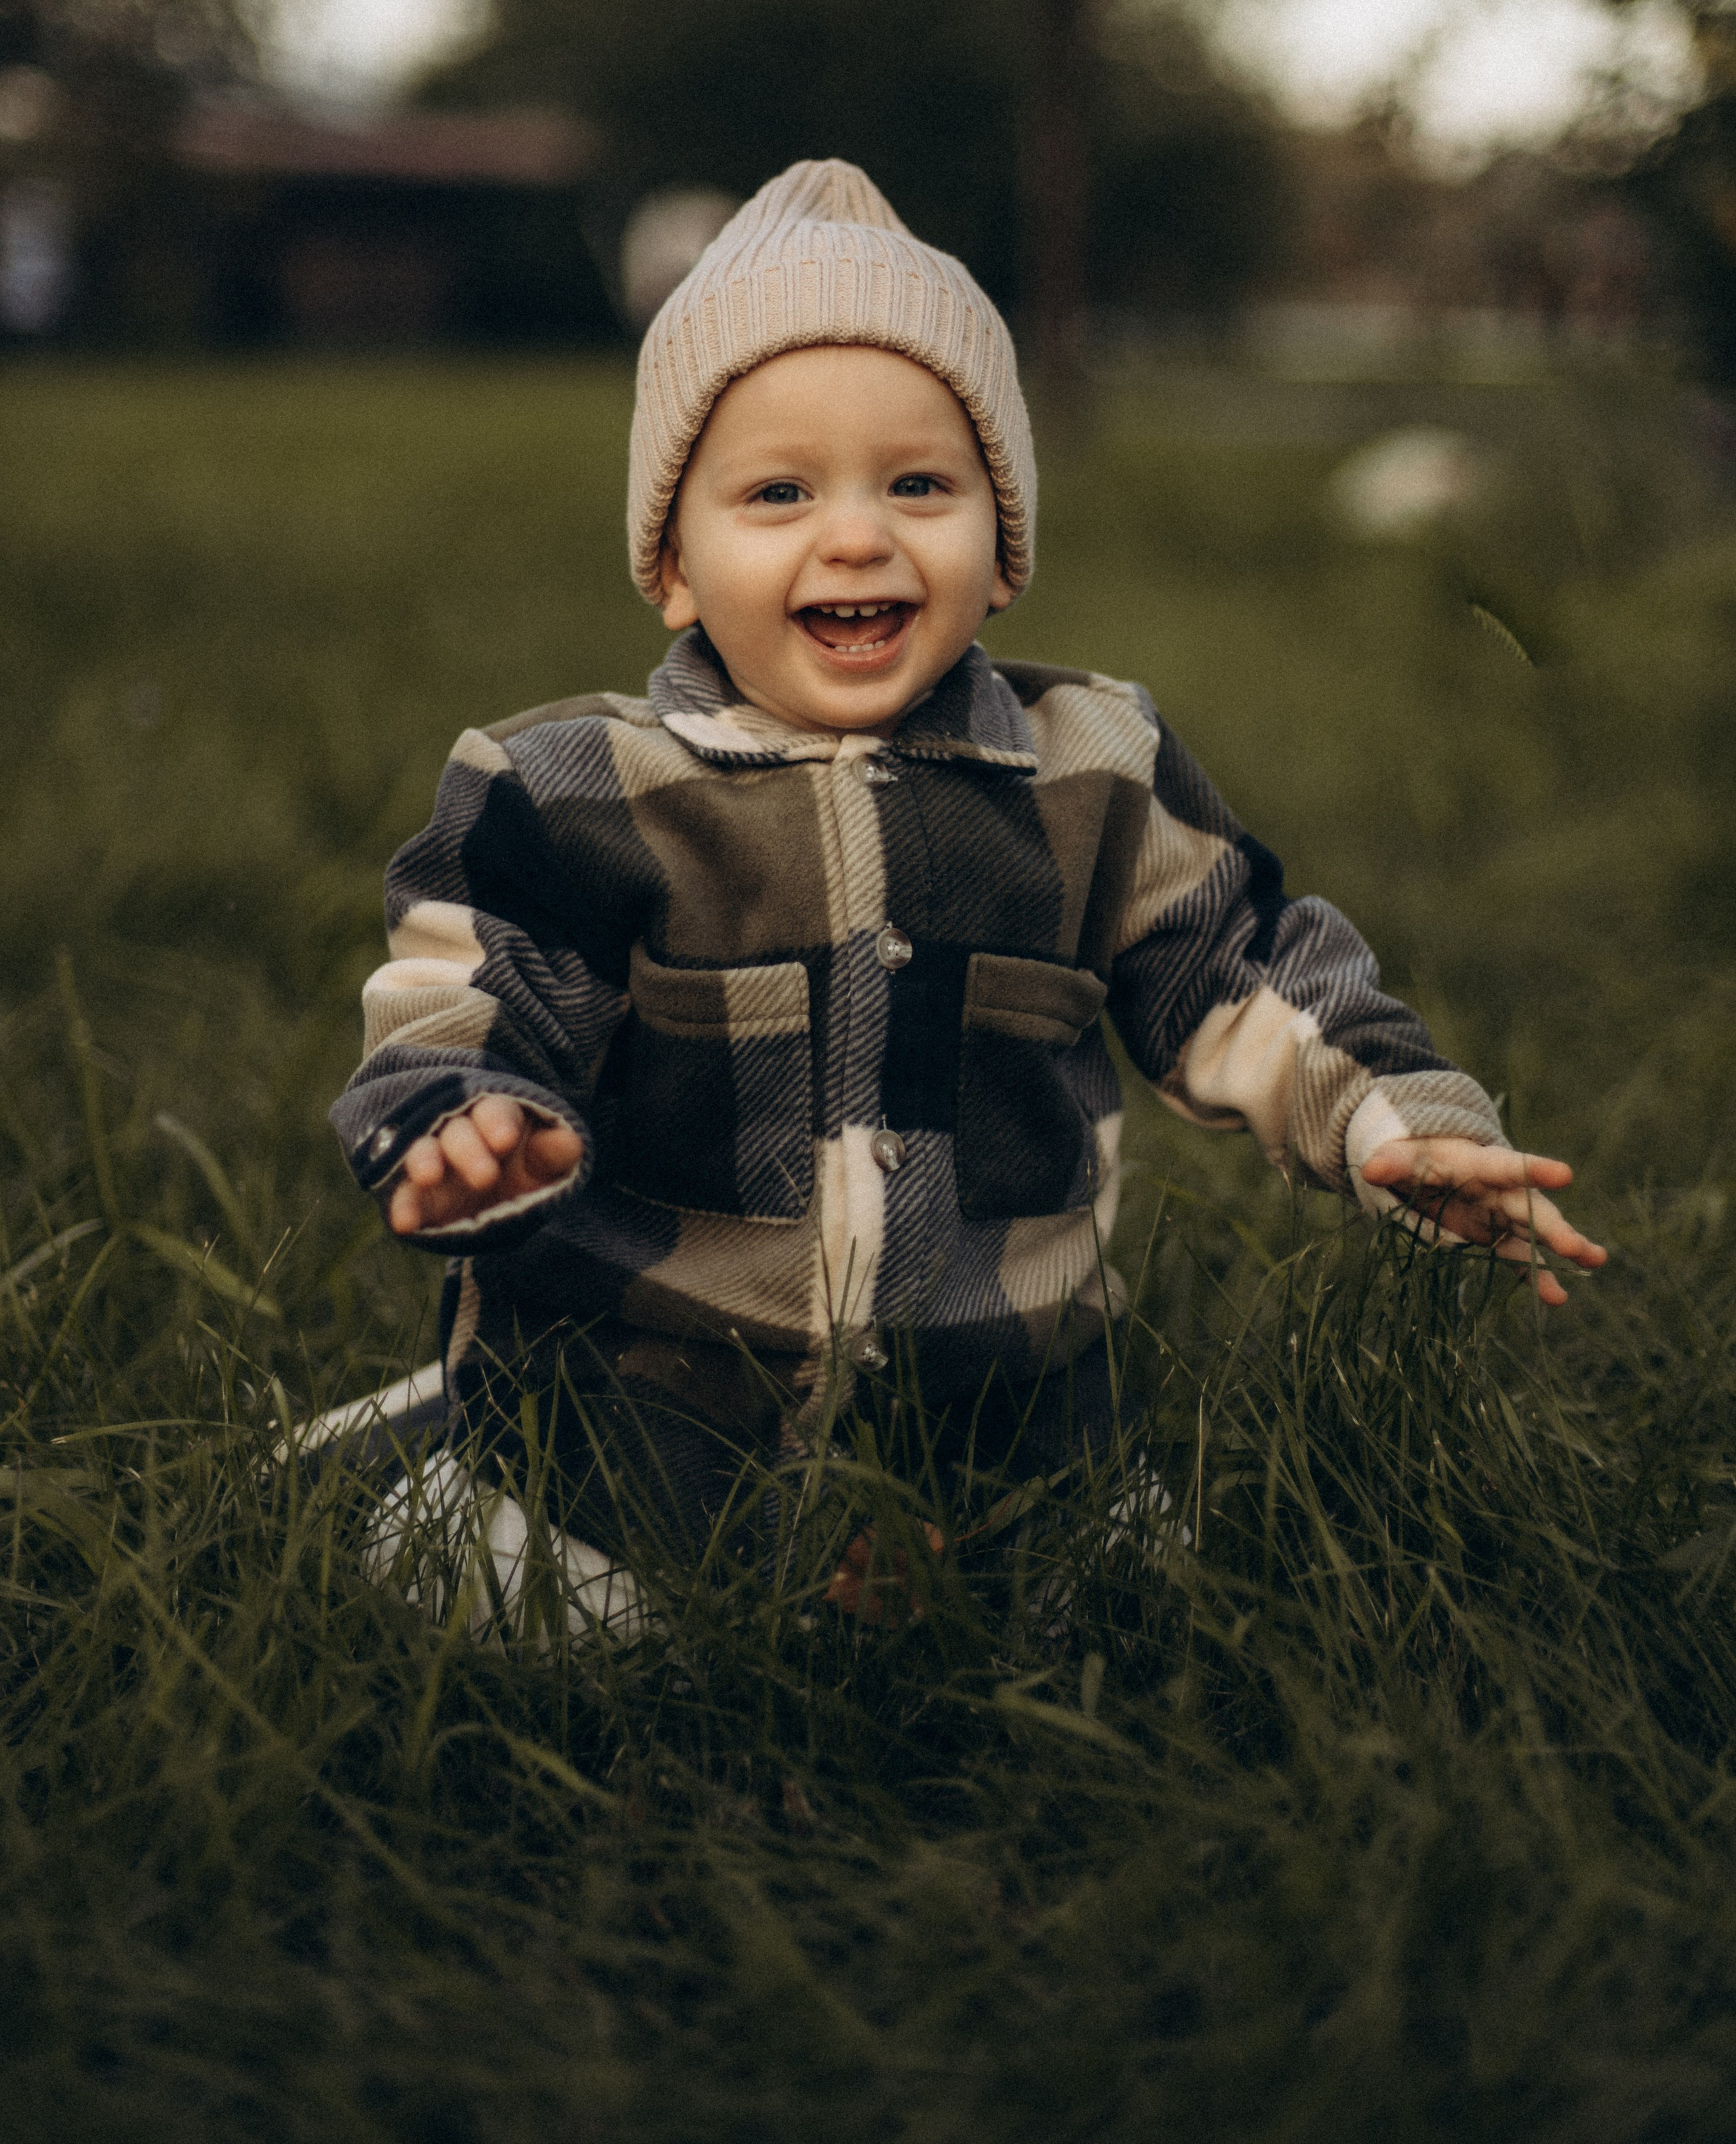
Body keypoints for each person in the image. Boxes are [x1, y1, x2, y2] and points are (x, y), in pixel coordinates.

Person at [330, 159, 1603, 1623]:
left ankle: (942, 1564)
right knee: (516, 1616)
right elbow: (464, 987)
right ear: (670, 566)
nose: (857, 534)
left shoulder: (1092, 771)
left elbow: (1241, 968)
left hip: (997, 1413)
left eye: (918, 483)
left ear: (1002, 547)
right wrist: (464, 1126)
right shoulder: (571, 790)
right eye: (778, 491)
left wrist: (1393, 1125)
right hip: (643, 1403)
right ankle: (476, 1467)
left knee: (1120, 1611)